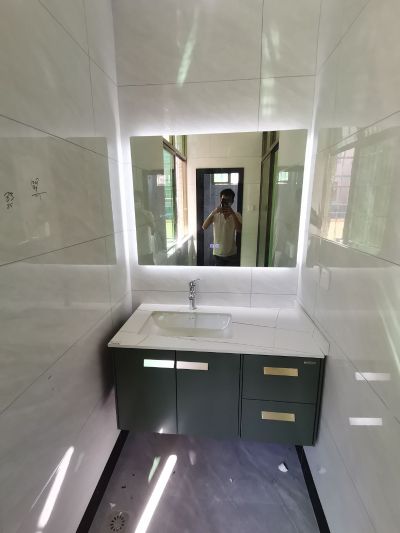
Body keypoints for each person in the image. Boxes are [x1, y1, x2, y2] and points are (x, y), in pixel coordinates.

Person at [202, 188, 242, 266]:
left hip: (232, 253)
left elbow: (239, 230)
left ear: (232, 201)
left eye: (229, 200)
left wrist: (232, 214)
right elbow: (204, 226)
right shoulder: (215, 214)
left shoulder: (237, 215)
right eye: (224, 200)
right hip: (217, 253)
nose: (226, 202)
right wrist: (213, 212)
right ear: (220, 200)